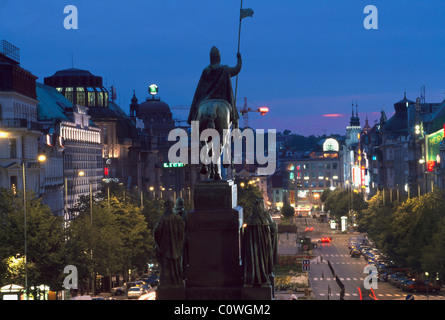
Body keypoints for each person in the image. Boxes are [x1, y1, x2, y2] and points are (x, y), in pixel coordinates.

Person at [187, 46, 242, 128]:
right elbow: (237, 69)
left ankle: (194, 133)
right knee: (233, 111)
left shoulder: (206, 70)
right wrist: (239, 59)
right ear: (219, 58)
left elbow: (199, 89)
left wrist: (196, 103)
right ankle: (235, 127)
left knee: (196, 114)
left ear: (211, 58)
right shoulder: (225, 69)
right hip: (222, 100)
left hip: (206, 99)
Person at [153, 200, 185, 288]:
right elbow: (182, 231)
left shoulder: (163, 218)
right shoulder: (177, 218)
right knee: (176, 266)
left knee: (166, 267)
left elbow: (156, 231)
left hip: (165, 248)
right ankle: (177, 282)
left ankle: (166, 283)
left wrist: (158, 244)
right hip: (176, 247)